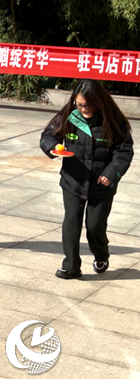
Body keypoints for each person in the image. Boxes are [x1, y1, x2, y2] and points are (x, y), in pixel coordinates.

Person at [40, 79, 134, 279]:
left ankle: (101, 255)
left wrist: (111, 174)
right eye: (79, 104)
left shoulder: (113, 120)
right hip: (74, 179)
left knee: (94, 226)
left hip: (101, 184)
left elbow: (123, 152)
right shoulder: (69, 115)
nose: (83, 109)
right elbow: (49, 135)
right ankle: (71, 267)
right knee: (71, 223)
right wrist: (52, 147)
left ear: (99, 102)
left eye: (87, 105)